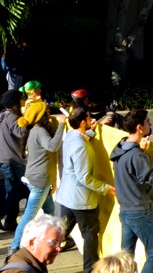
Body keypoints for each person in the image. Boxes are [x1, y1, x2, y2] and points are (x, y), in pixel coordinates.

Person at [54, 108, 114, 273]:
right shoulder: (81, 146)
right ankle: (90, 269)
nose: (91, 120)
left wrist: (91, 131)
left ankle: (38, 258)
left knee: (59, 234)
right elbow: (84, 178)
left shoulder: (71, 136)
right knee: (90, 234)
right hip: (81, 200)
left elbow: (82, 136)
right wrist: (107, 188)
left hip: (66, 196)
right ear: (82, 122)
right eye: (88, 118)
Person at [109, 110, 153, 273]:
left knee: (125, 258)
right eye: (147, 121)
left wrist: (142, 152)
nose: (150, 124)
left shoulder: (121, 148)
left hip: (125, 210)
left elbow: (131, 172)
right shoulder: (136, 156)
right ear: (140, 127)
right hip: (140, 211)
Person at [10, 106, 62, 256]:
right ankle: (14, 247)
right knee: (29, 216)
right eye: (46, 111)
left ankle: (57, 238)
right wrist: (62, 125)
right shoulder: (40, 131)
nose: (48, 112)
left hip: (35, 177)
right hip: (40, 180)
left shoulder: (33, 130)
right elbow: (52, 146)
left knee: (50, 211)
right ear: (41, 116)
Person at [0, 89, 27, 231]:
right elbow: (22, 133)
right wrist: (29, 117)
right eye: (22, 99)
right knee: (21, 192)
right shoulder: (12, 118)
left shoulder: (4, 116)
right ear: (16, 103)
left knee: (13, 192)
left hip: (6, 160)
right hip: (13, 161)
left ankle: (10, 221)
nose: (24, 101)